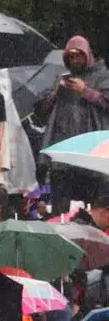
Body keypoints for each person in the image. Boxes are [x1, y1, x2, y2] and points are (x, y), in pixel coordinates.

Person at [37, 37, 109, 210]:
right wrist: (55, 93)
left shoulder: (102, 75)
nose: (75, 60)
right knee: (60, 213)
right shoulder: (62, 79)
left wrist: (86, 91)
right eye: (71, 57)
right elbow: (40, 112)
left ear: (87, 54)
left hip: (92, 154)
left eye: (78, 55)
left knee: (94, 212)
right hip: (63, 155)